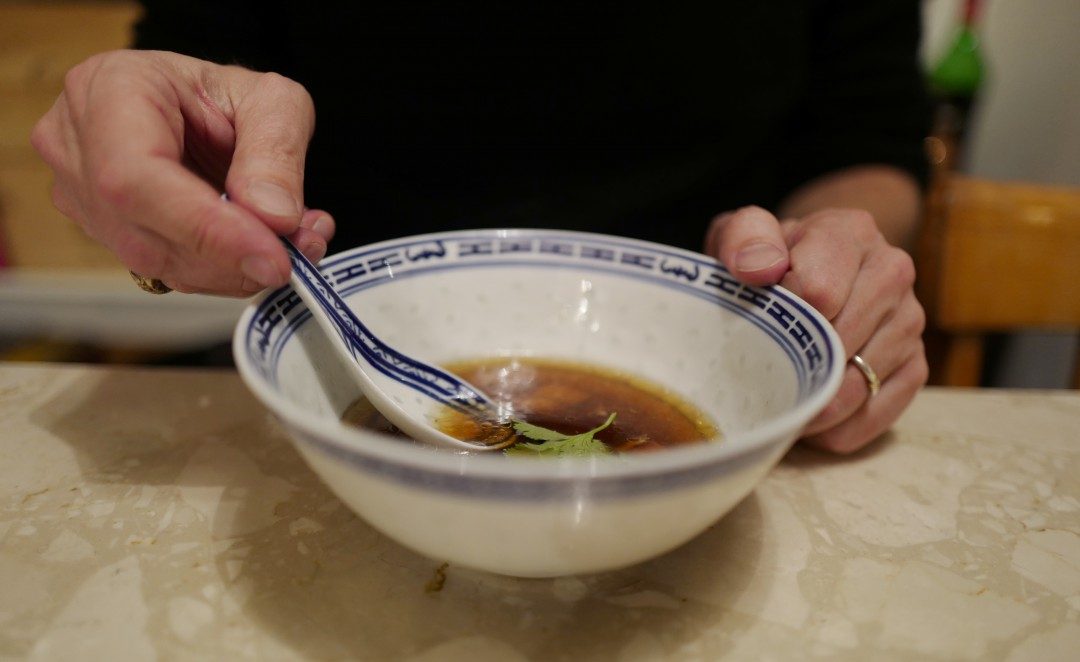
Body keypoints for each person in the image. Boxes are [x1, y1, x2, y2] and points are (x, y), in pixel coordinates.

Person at [30, 1, 929, 453]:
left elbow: (870, 136)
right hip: (331, 353)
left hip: (712, 346)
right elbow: (192, 50)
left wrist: (826, 270)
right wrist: (159, 167)